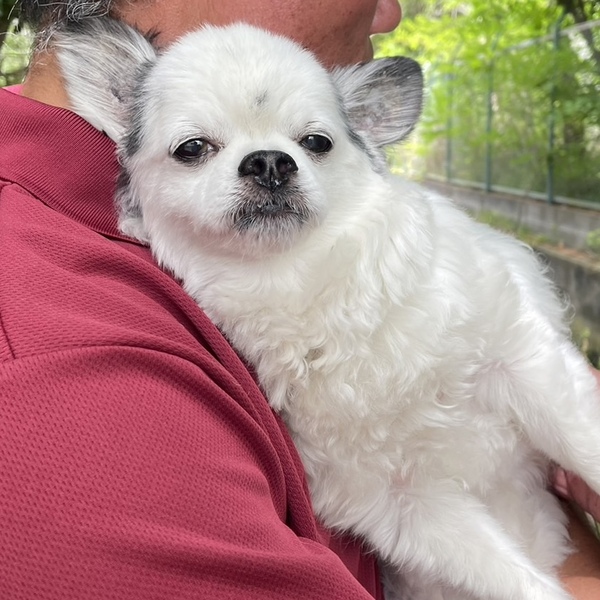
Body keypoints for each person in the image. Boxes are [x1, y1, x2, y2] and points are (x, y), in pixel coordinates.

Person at [0, 1, 599, 598]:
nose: (388, 12)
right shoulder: (57, 367)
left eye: (312, 141)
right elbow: (406, 502)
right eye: (195, 148)